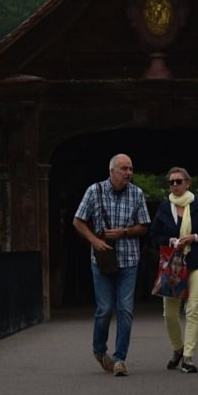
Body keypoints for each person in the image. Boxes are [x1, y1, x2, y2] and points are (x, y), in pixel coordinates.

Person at [73, 153, 150, 376]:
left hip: (129, 259)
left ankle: (119, 359)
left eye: (131, 169)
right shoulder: (94, 191)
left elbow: (144, 226)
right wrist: (94, 241)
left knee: (125, 309)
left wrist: (125, 232)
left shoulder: (137, 193)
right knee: (105, 309)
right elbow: (77, 221)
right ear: (112, 171)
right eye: (124, 169)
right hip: (102, 259)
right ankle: (99, 351)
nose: (129, 173)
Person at [150, 167, 198, 373]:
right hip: (173, 264)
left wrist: (194, 237)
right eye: (171, 182)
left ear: (188, 183)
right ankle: (177, 348)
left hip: (197, 261)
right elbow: (154, 235)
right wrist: (170, 240)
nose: (175, 185)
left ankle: (188, 357)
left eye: (179, 181)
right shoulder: (163, 207)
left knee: (193, 309)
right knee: (169, 313)